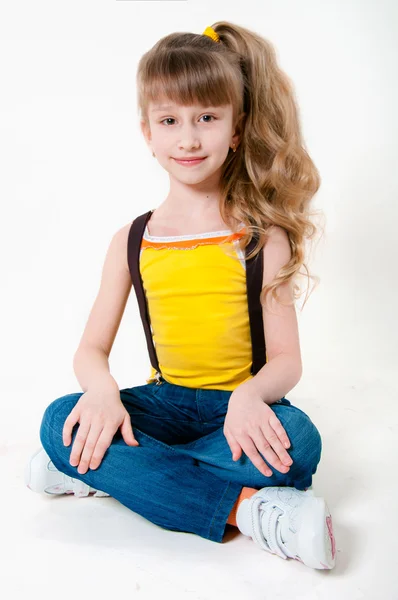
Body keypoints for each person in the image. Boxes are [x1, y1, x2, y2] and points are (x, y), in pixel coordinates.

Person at [25, 21, 336, 570]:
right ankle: (250, 511)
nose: (188, 139)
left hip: (238, 410)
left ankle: (103, 471)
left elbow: (287, 360)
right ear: (147, 132)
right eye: (170, 121)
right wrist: (99, 392)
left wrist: (250, 397)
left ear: (235, 129)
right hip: (164, 402)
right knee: (59, 418)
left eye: (207, 119)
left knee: (299, 442)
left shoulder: (263, 238)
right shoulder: (132, 240)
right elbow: (90, 350)